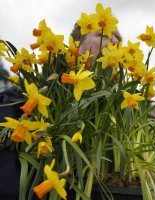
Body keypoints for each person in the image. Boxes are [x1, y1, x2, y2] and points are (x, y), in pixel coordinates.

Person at [0, 24, 122, 200]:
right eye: (105, 35)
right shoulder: (22, 96)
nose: (116, 41)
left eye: (119, 38)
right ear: (76, 45)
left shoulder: (114, 109)